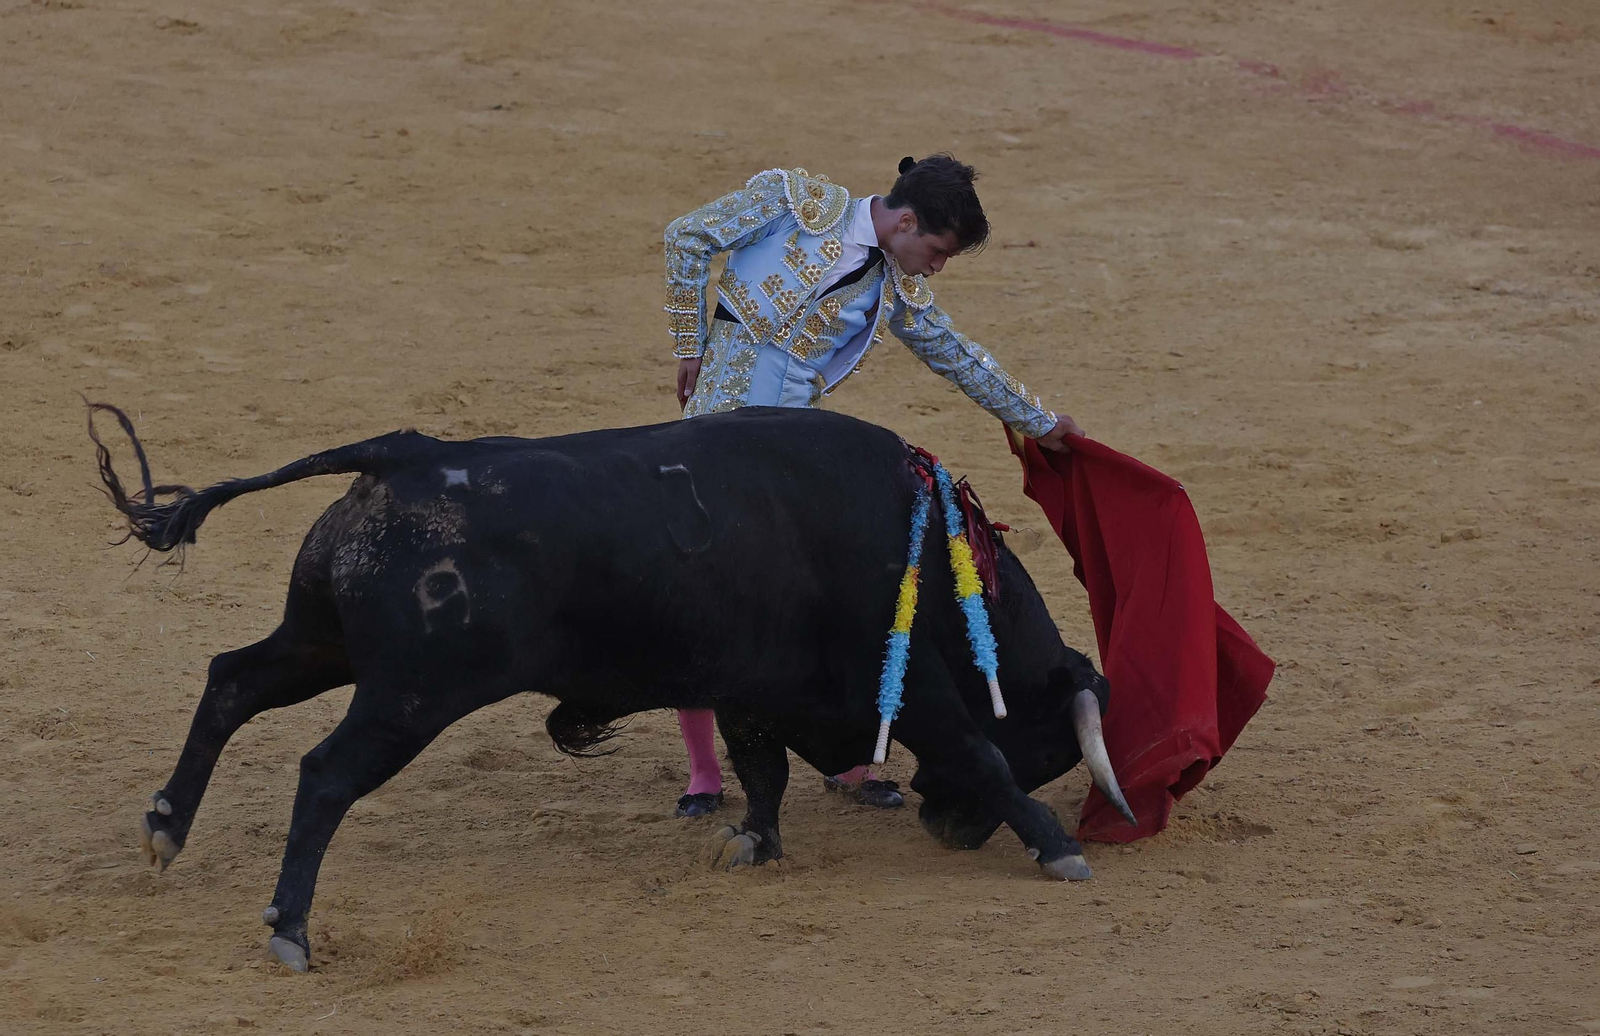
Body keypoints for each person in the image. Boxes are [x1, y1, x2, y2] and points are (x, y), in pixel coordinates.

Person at [663, 154, 1081, 818]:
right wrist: (689, 341)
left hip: (797, 451)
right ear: (906, 220)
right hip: (716, 434)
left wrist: (1036, 421)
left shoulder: (895, 285)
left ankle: (853, 763)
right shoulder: (794, 202)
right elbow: (687, 236)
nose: (937, 267)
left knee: (840, 599)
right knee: (705, 594)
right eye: (938, 251)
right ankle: (703, 772)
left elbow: (955, 352)